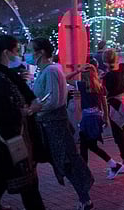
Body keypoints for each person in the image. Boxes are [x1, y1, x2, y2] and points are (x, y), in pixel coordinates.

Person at [0, 35, 46, 210]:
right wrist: (27, 111)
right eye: (15, 50)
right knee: (17, 190)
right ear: (5, 53)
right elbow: (1, 112)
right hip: (6, 144)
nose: (18, 54)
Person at [29, 38, 94, 210]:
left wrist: (34, 109)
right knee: (64, 161)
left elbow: (54, 99)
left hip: (54, 125)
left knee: (66, 161)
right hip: (48, 124)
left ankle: (85, 197)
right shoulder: (48, 70)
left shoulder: (50, 70)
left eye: (32, 50)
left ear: (41, 52)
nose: (29, 54)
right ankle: (84, 197)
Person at [66, 63, 123, 172]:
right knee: (87, 145)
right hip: (97, 117)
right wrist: (105, 118)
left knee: (87, 145)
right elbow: (104, 103)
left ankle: (111, 165)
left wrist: (77, 70)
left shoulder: (81, 85)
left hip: (87, 119)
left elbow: (66, 78)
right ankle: (110, 165)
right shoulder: (99, 86)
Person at [102, 49, 124, 179]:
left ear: (105, 61)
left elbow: (105, 92)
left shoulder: (108, 76)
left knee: (119, 135)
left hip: (116, 106)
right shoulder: (122, 68)